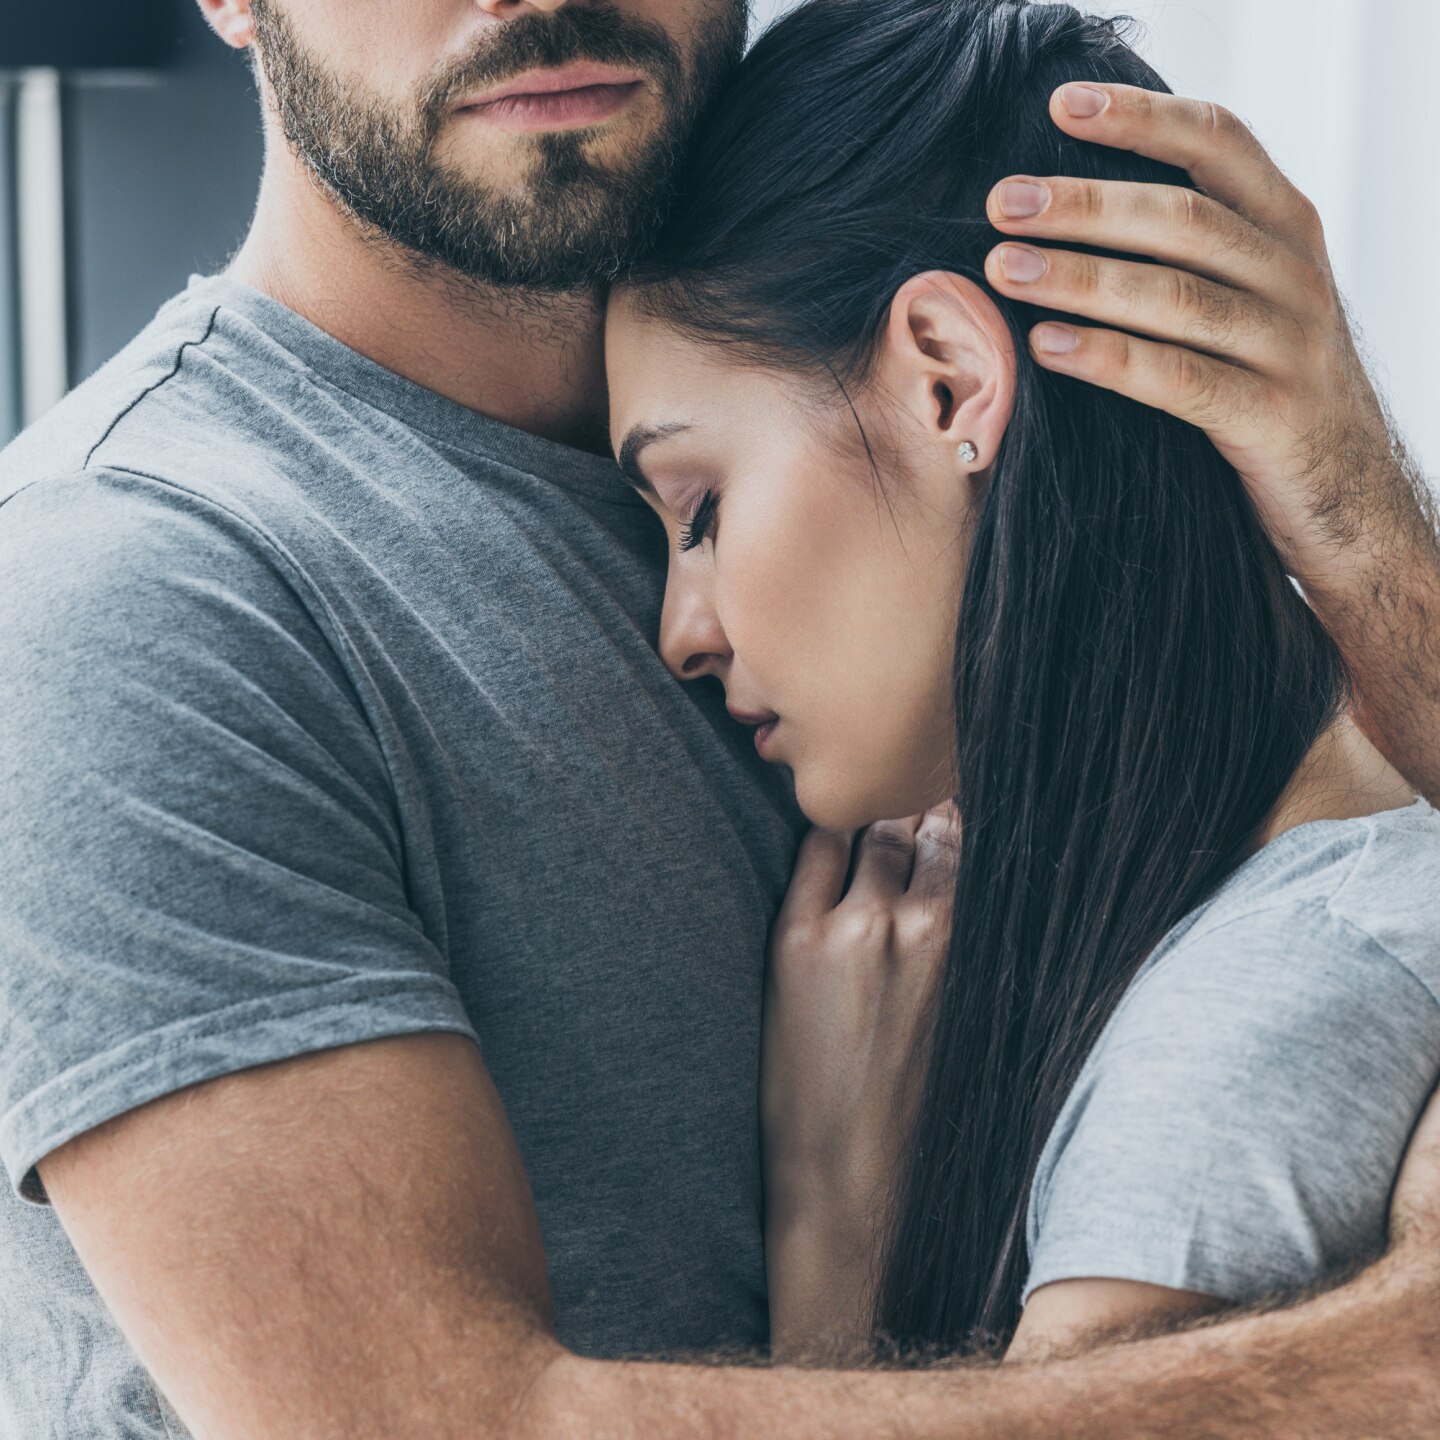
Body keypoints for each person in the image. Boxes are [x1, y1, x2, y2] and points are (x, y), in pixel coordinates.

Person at [0, 0, 1434, 1435]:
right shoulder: (136, 588)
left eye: (695, 513)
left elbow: (1344, 896)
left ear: (952, 383)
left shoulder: (928, 500)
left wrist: (1363, 529)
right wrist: (1384, 1356)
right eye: (678, 515)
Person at [603, 0, 1440, 1369]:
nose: (680, 635)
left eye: (699, 508)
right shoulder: (1280, 888)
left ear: (945, 382)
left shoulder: (1255, 1027)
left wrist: (834, 1247)